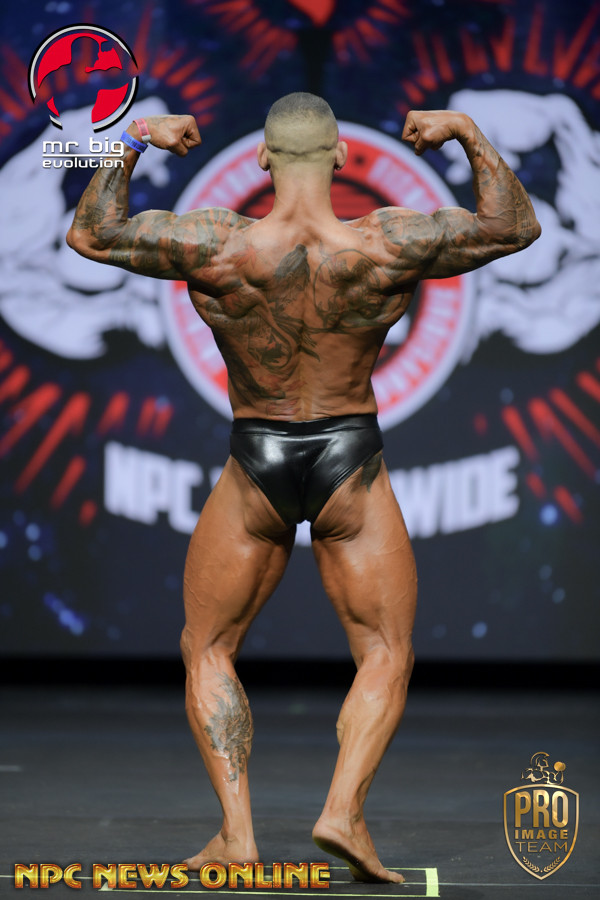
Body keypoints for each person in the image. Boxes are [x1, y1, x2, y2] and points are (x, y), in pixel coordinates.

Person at [67, 92, 541, 883]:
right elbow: (512, 227)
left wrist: (136, 136)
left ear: (261, 158)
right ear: (342, 157)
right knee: (385, 651)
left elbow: (92, 232)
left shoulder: (219, 242)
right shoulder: (384, 242)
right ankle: (343, 811)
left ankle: (237, 836)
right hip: (350, 459)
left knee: (207, 647)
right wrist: (464, 132)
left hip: (256, 457)